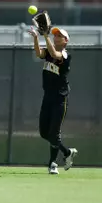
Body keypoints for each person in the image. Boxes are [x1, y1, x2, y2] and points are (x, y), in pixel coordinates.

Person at [27, 25, 78, 175]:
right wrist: (36, 38)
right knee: (44, 133)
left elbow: (56, 55)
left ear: (66, 41)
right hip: (47, 97)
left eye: (59, 36)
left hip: (60, 99)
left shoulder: (65, 55)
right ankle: (68, 152)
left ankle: (52, 164)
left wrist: (45, 36)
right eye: (54, 35)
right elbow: (38, 53)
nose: (56, 37)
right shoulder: (49, 52)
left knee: (54, 134)